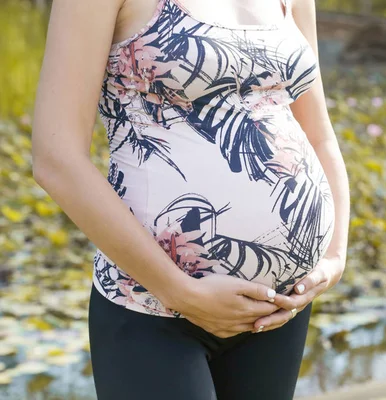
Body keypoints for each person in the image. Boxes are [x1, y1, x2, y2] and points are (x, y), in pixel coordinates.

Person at [31, 0, 350, 399]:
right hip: (152, 309)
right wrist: (180, 292)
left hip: (277, 310)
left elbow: (318, 133)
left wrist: (335, 256)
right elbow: (55, 158)